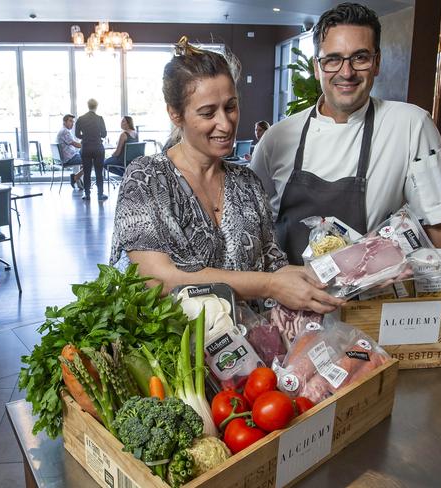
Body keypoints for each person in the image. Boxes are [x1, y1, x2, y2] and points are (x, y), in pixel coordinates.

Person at [110, 37, 342, 314]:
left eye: (230, 107)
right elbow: (157, 280)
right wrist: (268, 285)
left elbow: (274, 267)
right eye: (208, 113)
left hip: (255, 350)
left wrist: (340, 271)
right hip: (175, 350)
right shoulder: (146, 178)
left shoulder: (248, 184)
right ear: (175, 114)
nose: (226, 122)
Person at [251, 2, 441, 280]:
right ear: (317, 67)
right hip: (291, 307)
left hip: (370, 304)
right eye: (332, 59)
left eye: (360, 57)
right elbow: (252, 224)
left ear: (377, 63)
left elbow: (439, 225)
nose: (346, 72)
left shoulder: (410, 125)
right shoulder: (277, 137)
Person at [75, 99, 108, 201]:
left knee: (87, 171)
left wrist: (85, 136)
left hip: (86, 147)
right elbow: (104, 134)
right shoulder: (99, 118)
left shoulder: (80, 119)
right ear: (96, 106)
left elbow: (77, 134)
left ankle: (87, 195)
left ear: (88, 106)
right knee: (99, 172)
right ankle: (100, 195)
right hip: (98, 147)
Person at [56, 114, 84, 189]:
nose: (72, 123)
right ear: (64, 122)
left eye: (73, 122)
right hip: (69, 158)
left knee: (86, 157)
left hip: (70, 156)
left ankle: (78, 178)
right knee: (90, 160)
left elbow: (73, 143)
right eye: (70, 121)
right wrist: (87, 145)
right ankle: (76, 177)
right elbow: (74, 144)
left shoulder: (63, 130)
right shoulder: (65, 131)